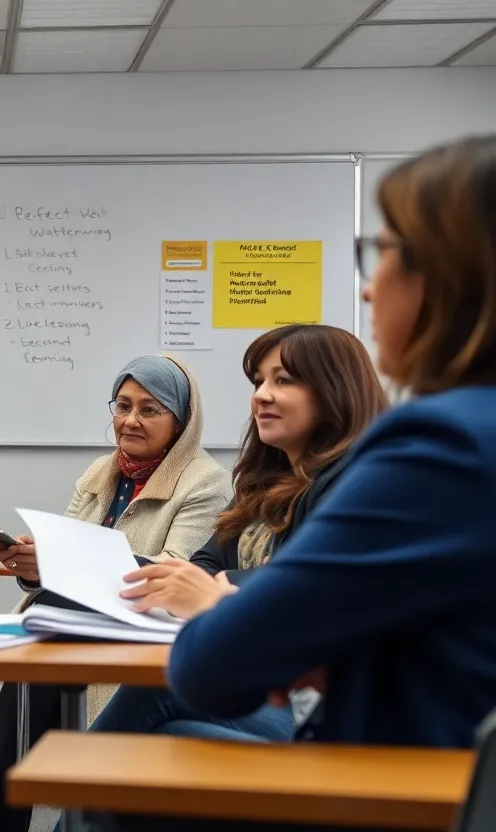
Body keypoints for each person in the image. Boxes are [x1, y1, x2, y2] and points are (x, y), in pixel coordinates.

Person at [121, 135, 496, 832]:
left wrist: (274, 631)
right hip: (453, 775)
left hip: (413, 788)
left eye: (385, 255)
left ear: (450, 275)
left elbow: (217, 665)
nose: (367, 284)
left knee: (126, 771)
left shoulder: (439, 446)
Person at [0, 355, 232, 832]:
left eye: (149, 409)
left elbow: (175, 573)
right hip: (74, 619)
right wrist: (32, 568)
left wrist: (62, 567)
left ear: (181, 422)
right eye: (122, 406)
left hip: (147, 626)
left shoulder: (204, 482)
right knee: (26, 646)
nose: (129, 420)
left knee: (37, 644)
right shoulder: (101, 472)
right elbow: (65, 554)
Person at [92, 324, 387, 743]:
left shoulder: (356, 483)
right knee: (170, 733)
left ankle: (68, 808)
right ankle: (68, 808)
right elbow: (207, 561)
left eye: (282, 380)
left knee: (158, 690)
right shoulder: (263, 480)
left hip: (312, 704)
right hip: (260, 674)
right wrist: (206, 586)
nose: (261, 394)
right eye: (259, 381)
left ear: (333, 390)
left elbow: (308, 585)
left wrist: (215, 592)